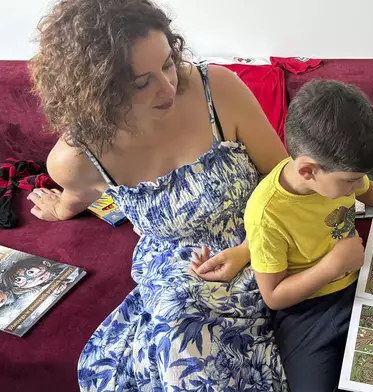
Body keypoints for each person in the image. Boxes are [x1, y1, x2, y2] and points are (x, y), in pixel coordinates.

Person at [27, 0, 289, 390]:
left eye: (168, 62)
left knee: (181, 327)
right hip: (178, 271)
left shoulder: (216, 88)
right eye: (140, 82)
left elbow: (283, 180)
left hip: (265, 241)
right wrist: (61, 209)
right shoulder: (77, 158)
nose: (168, 87)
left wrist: (248, 249)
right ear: (97, 90)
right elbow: (76, 192)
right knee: (179, 319)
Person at [194, 80, 373, 392]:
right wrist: (332, 266)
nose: (357, 188)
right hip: (307, 310)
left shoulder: (336, 175)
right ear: (308, 171)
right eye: (351, 181)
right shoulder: (265, 213)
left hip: (360, 285)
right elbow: (273, 295)